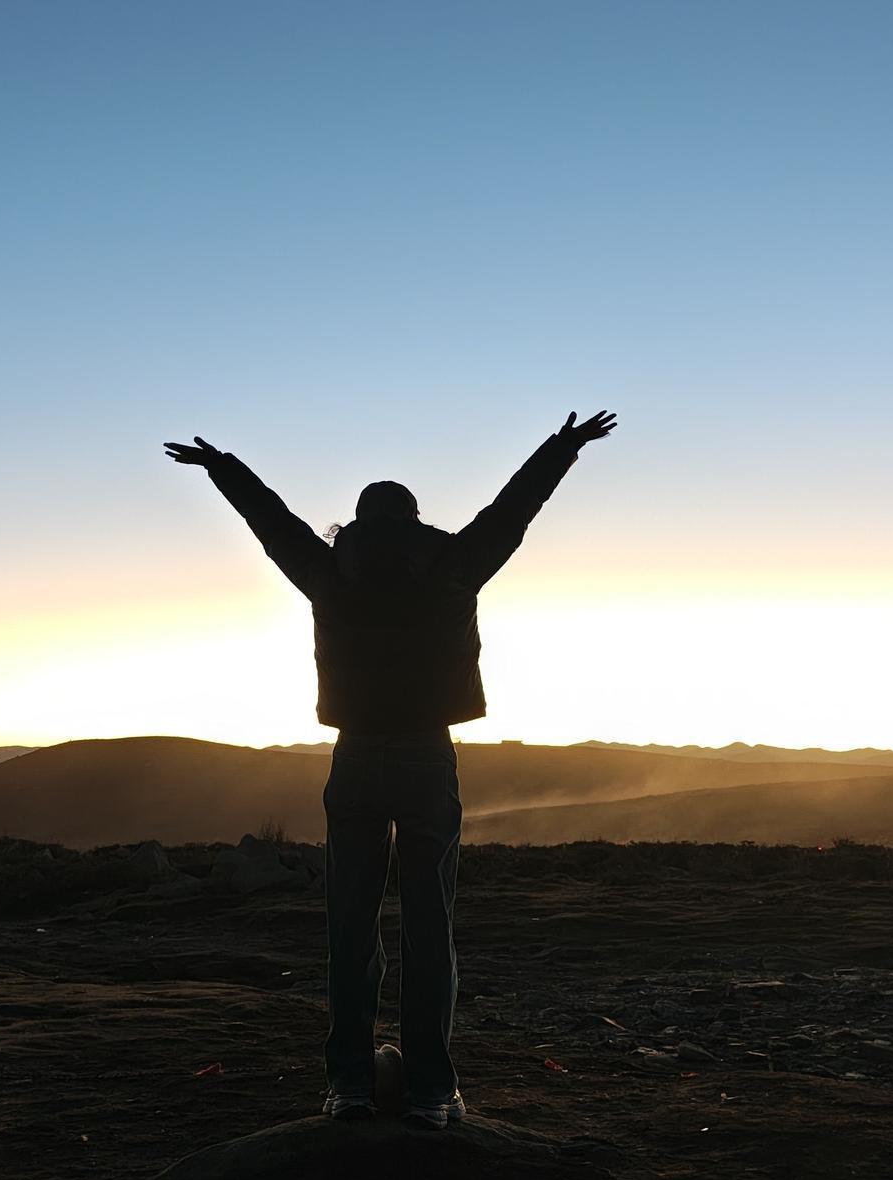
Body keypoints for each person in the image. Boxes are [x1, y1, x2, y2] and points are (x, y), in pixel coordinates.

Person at [164, 408, 617, 1127]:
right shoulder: (453, 567)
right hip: (426, 752)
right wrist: (563, 446)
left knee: (351, 922)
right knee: (430, 923)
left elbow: (272, 522)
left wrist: (222, 466)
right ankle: (434, 1092)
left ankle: (349, 1087)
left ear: (357, 521)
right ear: (413, 519)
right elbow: (513, 510)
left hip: (356, 756)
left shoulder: (328, 572)